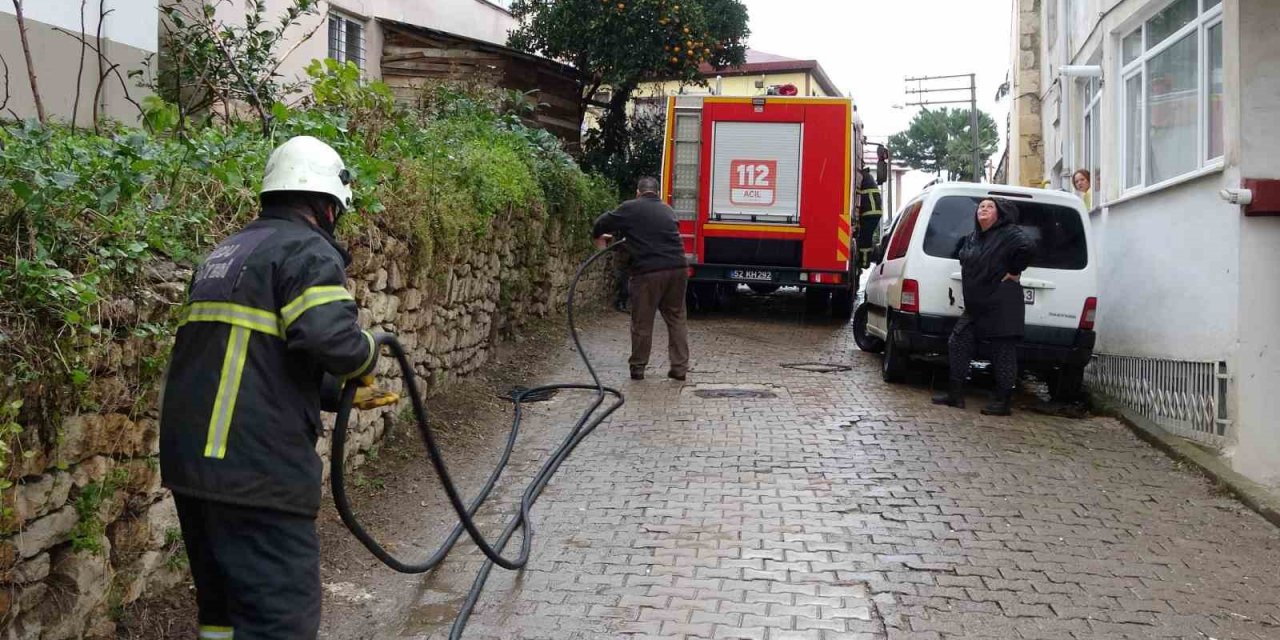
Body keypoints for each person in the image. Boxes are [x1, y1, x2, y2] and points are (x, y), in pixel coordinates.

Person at [159, 135, 396, 639]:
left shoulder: (226, 253)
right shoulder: (306, 250)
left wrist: (334, 391)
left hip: (193, 468)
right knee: (279, 620)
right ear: (327, 206)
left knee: (222, 615)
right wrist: (368, 353)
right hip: (256, 472)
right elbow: (329, 337)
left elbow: (254, 357)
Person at [932, 197, 1035, 416]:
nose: (984, 209)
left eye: (990, 207)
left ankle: (1003, 402)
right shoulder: (973, 237)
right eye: (981, 206)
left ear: (1000, 214)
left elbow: (1028, 247)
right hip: (976, 304)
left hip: (1002, 303)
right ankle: (955, 394)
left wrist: (1015, 271)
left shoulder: (1009, 233)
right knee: (958, 341)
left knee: (1003, 352)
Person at [593, 177, 689, 381]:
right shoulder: (667, 210)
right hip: (678, 268)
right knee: (676, 318)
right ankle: (679, 369)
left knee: (642, 321)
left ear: (638, 193)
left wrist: (598, 237)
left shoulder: (630, 208)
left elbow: (601, 222)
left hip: (648, 272)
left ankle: (638, 368)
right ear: (657, 193)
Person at [855, 166, 884, 269]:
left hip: (869, 214)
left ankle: (864, 263)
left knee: (865, 239)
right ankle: (866, 260)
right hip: (872, 213)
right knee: (866, 237)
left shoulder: (863, 178)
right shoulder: (868, 177)